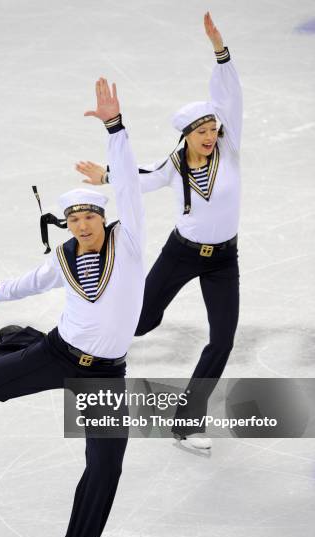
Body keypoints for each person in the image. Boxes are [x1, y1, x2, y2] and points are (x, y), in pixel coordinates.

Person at [0, 78, 145, 537]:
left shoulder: (128, 243)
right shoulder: (63, 258)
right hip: (55, 354)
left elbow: (128, 183)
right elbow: (29, 281)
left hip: (104, 376)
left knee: (104, 473)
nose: (81, 224)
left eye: (89, 216)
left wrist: (115, 127)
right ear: (65, 224)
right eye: (73, 219)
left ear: (103, 220)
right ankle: (19, 341)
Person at [75, 12, 243, 450]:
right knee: (143, 319)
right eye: (202, 130)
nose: (211, 135)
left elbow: (231, 97)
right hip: (182, 252)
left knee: (222, 340)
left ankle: (187, 421)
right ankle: (69, 347)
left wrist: (220, 53)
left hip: (224, 259)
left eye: (214, 128)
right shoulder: (173, 164)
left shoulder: (229, 151)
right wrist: (108, 174)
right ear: (186, 135)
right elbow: (141, 177)